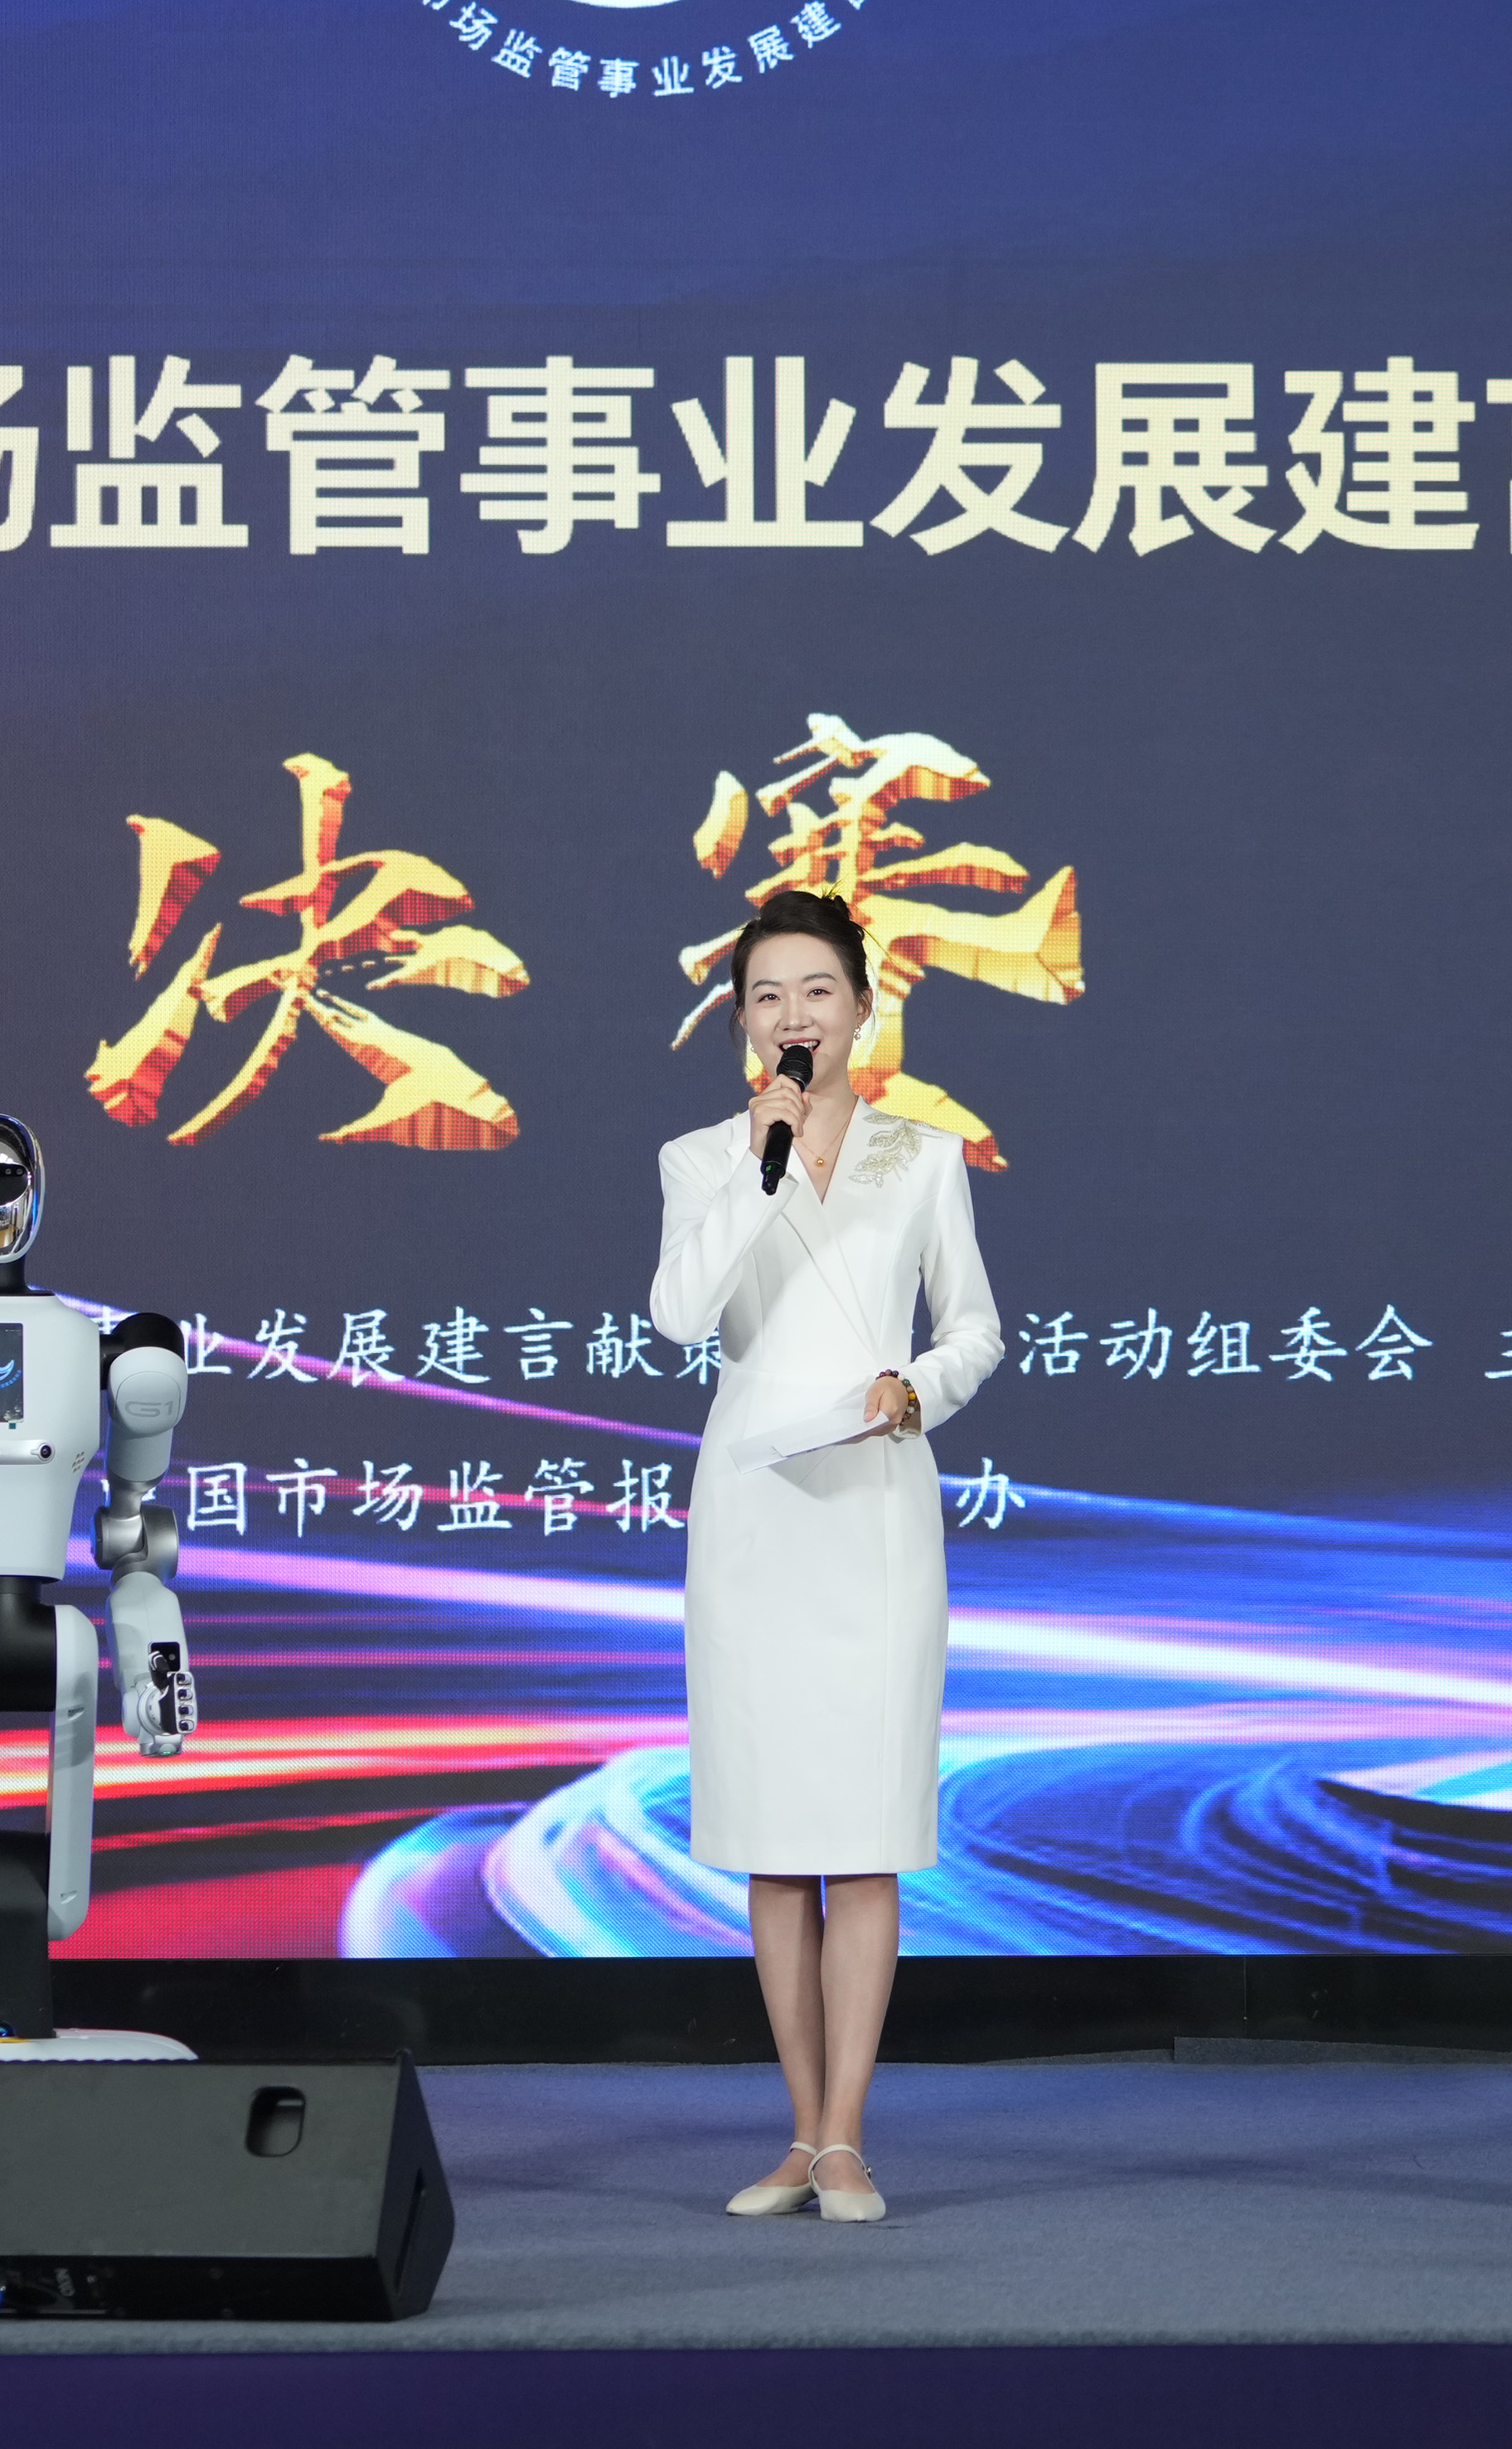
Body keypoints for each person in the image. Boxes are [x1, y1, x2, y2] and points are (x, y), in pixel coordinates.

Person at [650, 888, 1002, 2228]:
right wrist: (764, 1161)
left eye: (815, 990)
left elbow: (973, 1329)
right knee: (773, 1843)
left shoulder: (924, 1156)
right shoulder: (703, 1157)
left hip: (871, 1506)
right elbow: (680, 1311)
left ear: (862, 1003)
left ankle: (846, 2137)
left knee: (860, 1838)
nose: (791, 1015)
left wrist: (917, 1388)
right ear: (742, 1022)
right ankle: (795, 2133)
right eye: (765, 996)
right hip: (753, 1514)